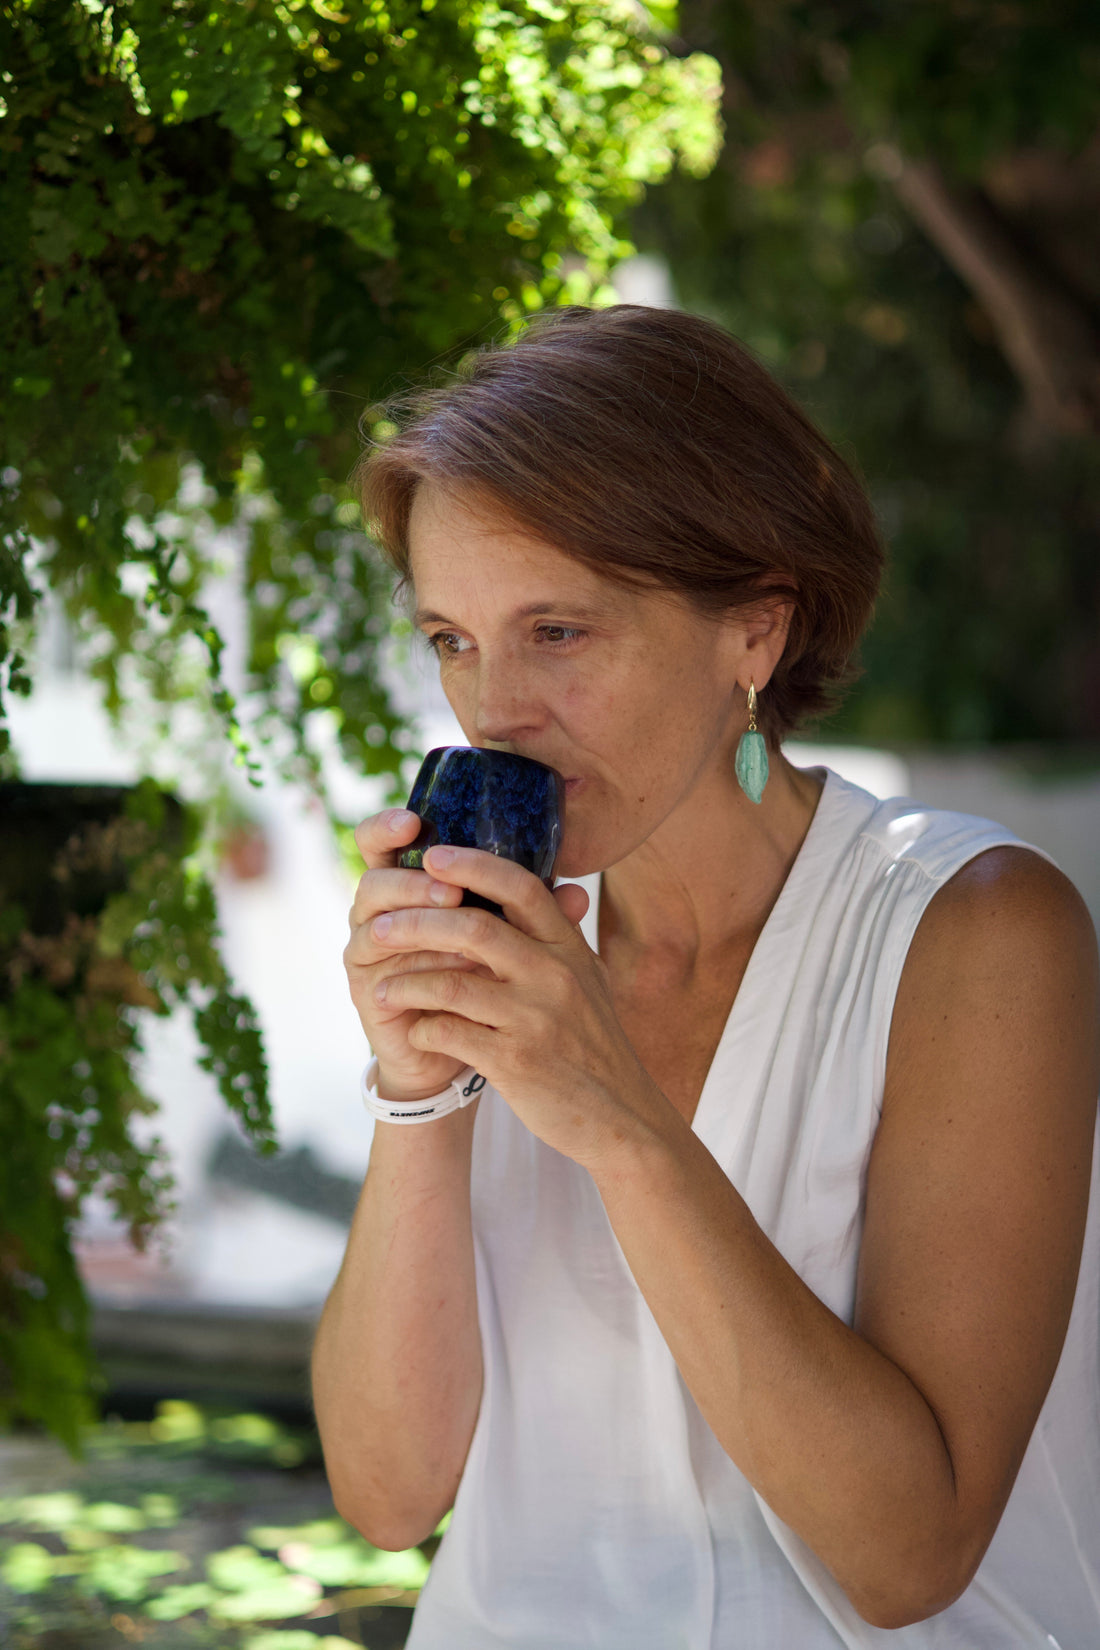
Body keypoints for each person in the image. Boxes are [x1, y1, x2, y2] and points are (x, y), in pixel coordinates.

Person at [311, 305, 1100, 1649]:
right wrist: (416, 1088)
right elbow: (389, 1496)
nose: (495, 710)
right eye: (452, 638)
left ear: (754, 633)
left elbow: (908, 1555)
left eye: (559, 631)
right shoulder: (505, 942)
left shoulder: (976, 931)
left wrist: (621, 1123)